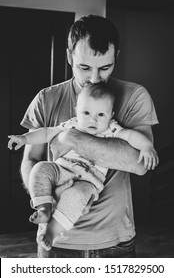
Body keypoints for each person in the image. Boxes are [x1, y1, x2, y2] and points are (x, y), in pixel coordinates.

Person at [19, 15, 159, 258]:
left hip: (114, 241)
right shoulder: (45, 99)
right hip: (55, 240)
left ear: (116, 58)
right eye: (84, 67)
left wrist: (72, 139)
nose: (94, 79)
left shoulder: (135, 96)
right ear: (69, 56)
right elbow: (31, 161)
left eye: (105, 68)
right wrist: (47, 196)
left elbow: (139, 163)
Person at [8, 82, 159, 251]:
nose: (92, 119)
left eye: (101, 114)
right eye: (86, 113)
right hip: (62, 170)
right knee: (41, 168)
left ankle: (51, 232)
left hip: (88, 180)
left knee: (77, 196)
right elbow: (45, 133)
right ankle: (44, 207)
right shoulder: (72, 124)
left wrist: (146, 146)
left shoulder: (111, 129)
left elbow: (131, 136)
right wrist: (24, 139)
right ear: (76, 110)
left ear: (111, 115)